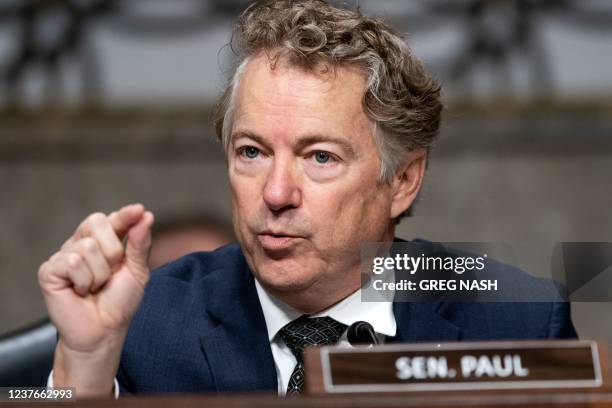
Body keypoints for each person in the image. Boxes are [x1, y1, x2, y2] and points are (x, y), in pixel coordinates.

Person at [37, 0, 577, 398]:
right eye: (251, 152)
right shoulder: (149, 320)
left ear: (405, 180)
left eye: (320, 157)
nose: (274, 194)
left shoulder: (518, 322)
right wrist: (81, 368)